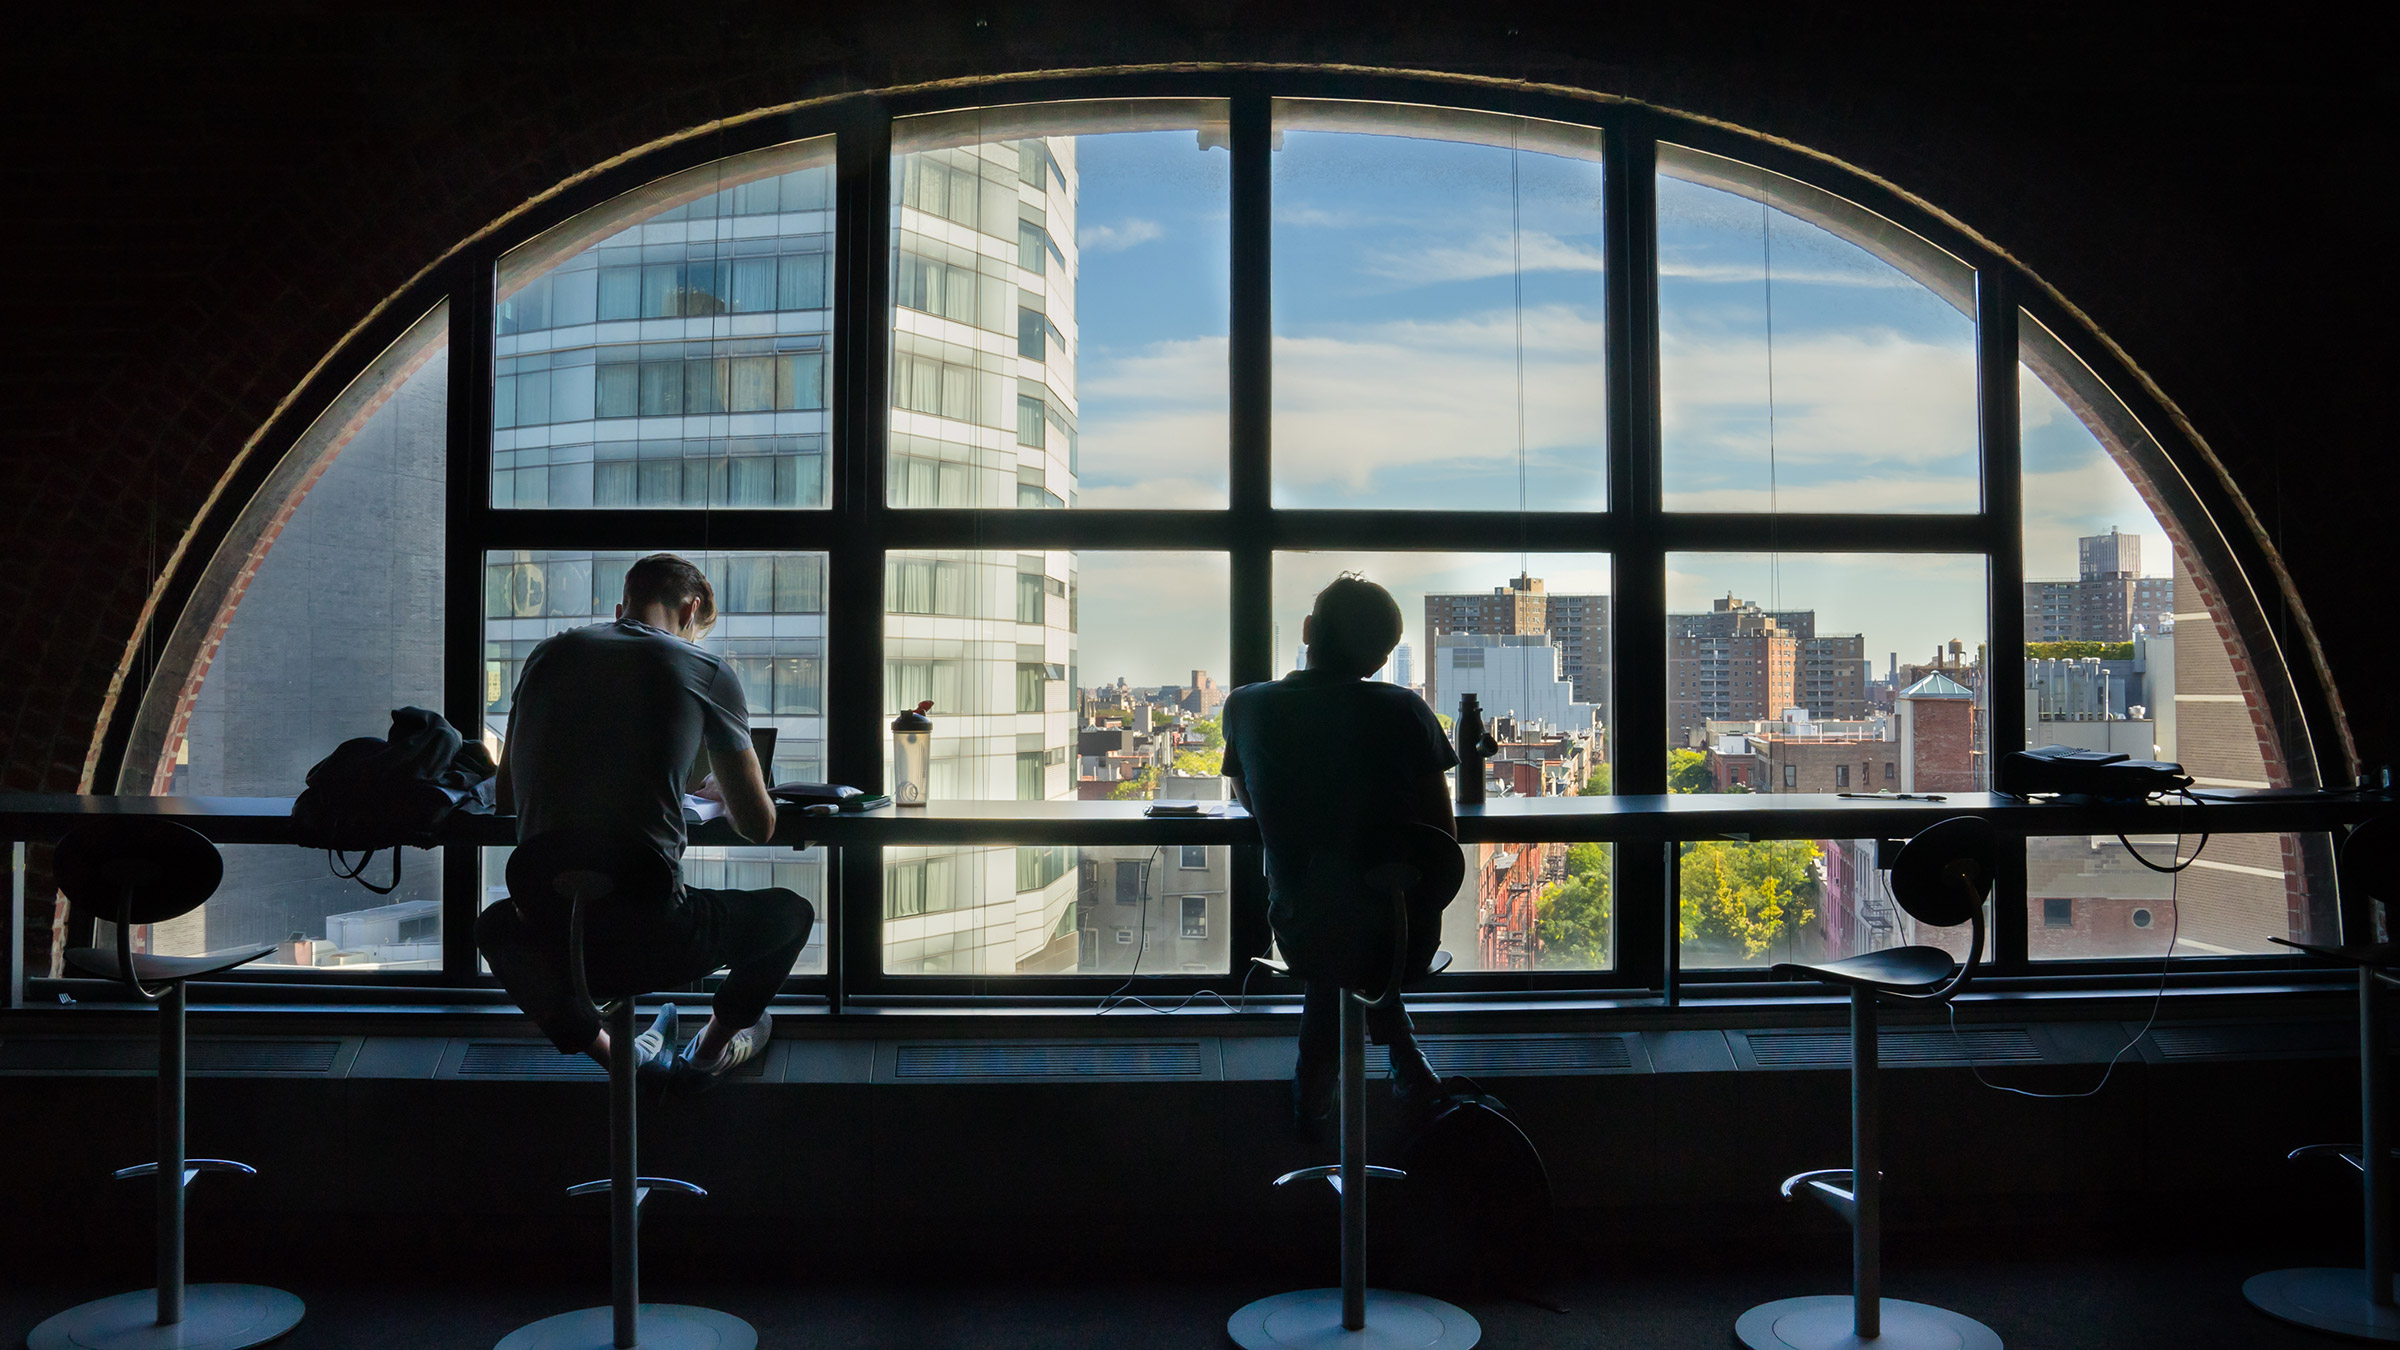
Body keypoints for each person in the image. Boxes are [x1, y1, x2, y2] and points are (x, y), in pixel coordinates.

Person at [478, 552, 813, 1089]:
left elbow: (507, 798)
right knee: (791, 914)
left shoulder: (545, 656)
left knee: (493, 927)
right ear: (691, 609)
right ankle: (710, 1048)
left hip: (555, 934)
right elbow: (759, 826)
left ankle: (617, 1056)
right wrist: (725, 794)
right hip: (656, 934)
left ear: (622, 607)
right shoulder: (703, 669)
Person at [1220, 573, 1458, 1139]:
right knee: (1363, 925)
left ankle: (1313, 1097)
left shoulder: (1246, 707)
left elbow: (1249, 799)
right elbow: (1440, 841)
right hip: (1401, 934)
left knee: (1334, 939)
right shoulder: (1406, 711)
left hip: (1301, 929)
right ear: (1380, 660)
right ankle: (1400, 1058)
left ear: (1308, 630)